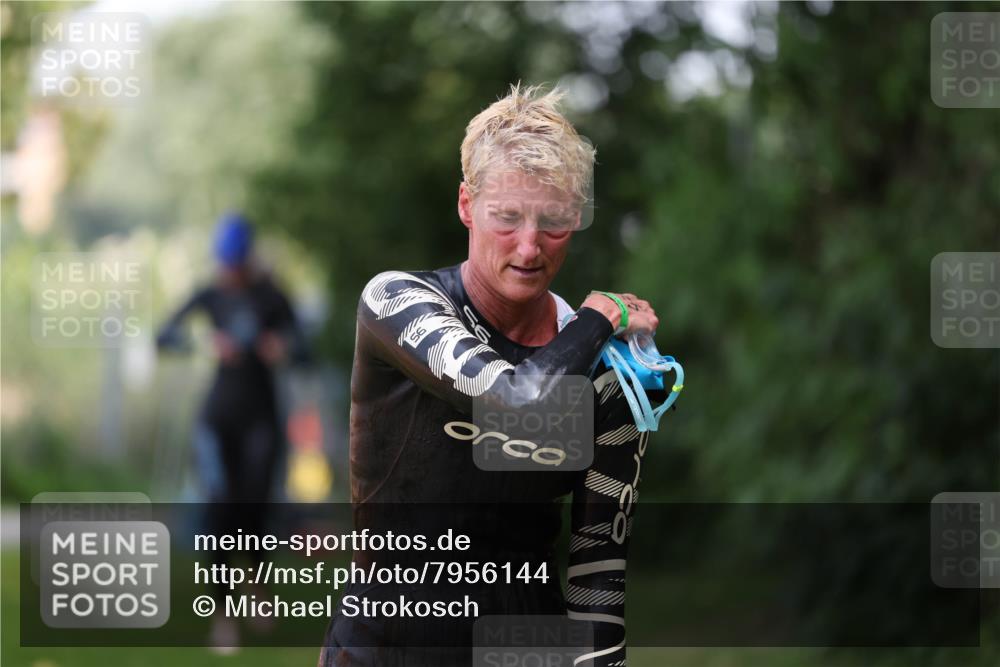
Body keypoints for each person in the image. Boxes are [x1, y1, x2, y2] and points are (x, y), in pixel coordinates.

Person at [318, 84, 666, 667]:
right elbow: (514, 400)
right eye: (506, 218)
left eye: (553, 222)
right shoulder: (397, 303)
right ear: (466, 204)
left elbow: (599, 575)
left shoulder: (607, 367)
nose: (529, 248)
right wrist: (600, 317)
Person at [156, 212, 307, 650]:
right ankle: (223, 617)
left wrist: (282, 347)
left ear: (247, 259)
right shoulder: (210, 295)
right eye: (225, 264)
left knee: (254, 508)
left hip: (261, 418)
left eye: (236, 264)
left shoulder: (272, 296)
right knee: (220, 511)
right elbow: (163, 336)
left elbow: (305, 348)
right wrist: (204, 343)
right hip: (218, 419)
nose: (230, 272)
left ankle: (257, 586)